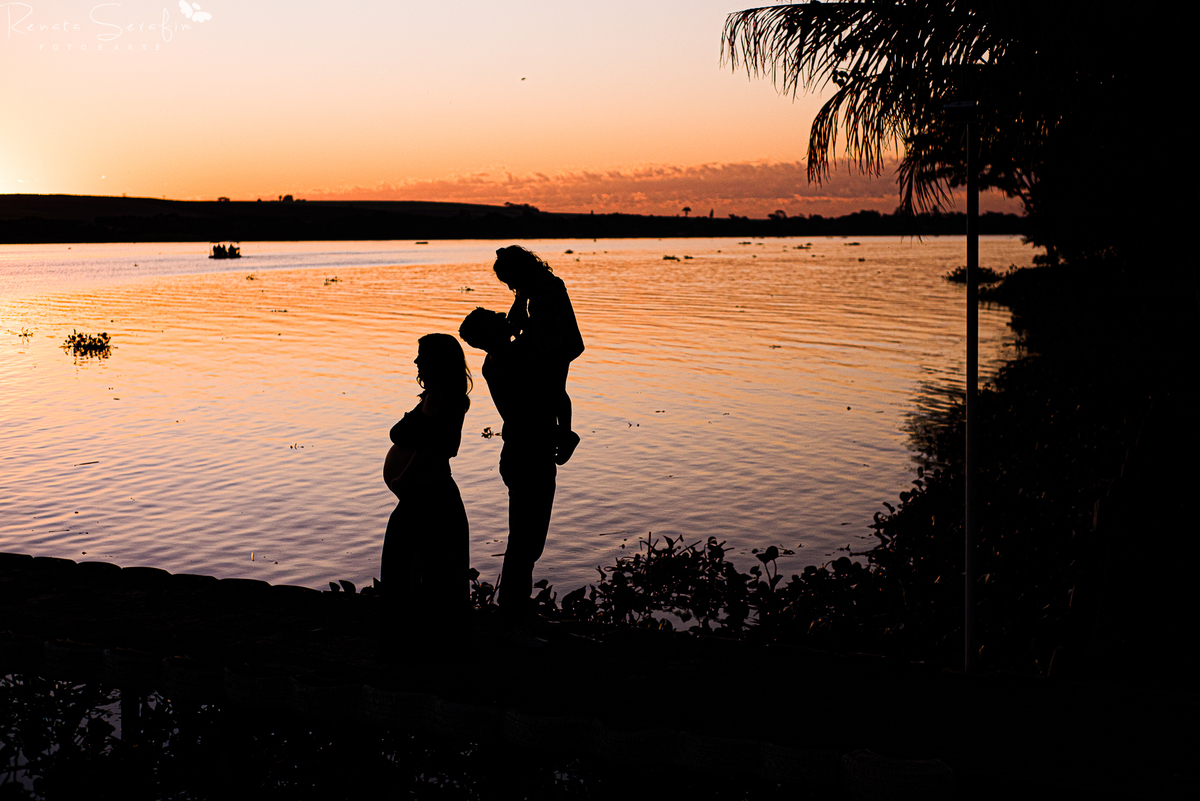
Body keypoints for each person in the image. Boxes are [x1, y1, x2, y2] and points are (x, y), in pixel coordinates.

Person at [459, 307, 558, 626]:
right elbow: (540, 339)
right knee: (525, 540)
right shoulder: (507, 360)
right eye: (495, 317)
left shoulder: (503, 357)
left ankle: (516, 605)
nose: (504, 315)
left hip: (526, 452)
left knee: (528, 539)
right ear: (491, 334)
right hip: (526, 455)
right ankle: (513, 610)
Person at [380, 333, 471, 650]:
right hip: (433, 495)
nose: (417, 361)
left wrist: (403, 479)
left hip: (425, 496)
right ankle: (430, 640)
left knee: (404, 568)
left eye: (422, 355)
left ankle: (411, 643)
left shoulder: (438, 399)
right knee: (432, 569)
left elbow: (435, 447)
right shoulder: (447, 396)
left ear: (436, 361)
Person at [493, 245, 584, 465]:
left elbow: (555, 325)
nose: (510, 286)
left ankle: (566, 435)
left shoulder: (550, 287)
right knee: (549, 392)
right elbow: (521, 314)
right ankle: (559, 434)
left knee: (555, 390)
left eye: (509, 280)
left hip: (561, 344)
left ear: (519, 271)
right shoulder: (529, 287)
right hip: (546, 343)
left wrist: (530, 337)